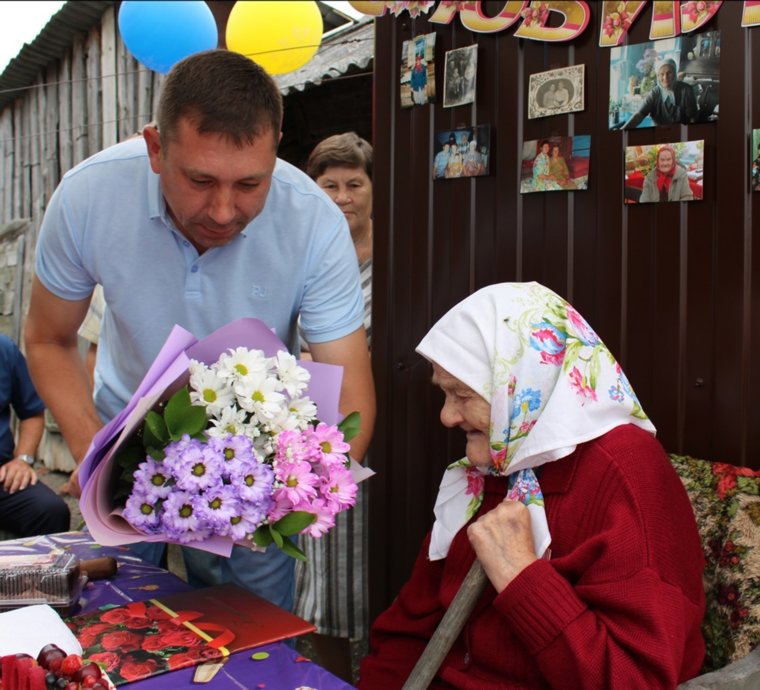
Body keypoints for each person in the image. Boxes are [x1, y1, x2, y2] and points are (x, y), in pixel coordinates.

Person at [24, 49, 375, 613]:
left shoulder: (314, 219)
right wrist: (99, 456)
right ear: (156, 149)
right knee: (121, 618)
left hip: (256, 461)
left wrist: (292, 496)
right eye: (200, 179)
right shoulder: (88, 195)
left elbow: (348, 383)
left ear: (276, 147)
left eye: (249, 184)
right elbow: (48, 339)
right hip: (126, 439)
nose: (222, 209)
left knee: (252, 633)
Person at [358, 282, 706, 689]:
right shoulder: (499, 464)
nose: (448, 416)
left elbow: (634, 680)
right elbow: (409, 629)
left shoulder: (625, 471)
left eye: (461, 395)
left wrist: (520, 574)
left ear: (522, 384)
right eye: (445, 394)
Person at [294, 132, 374, 681]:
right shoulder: (307, 256)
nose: (343, 196)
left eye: (354, 183)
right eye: (329, 185)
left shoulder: (396, 258)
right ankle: (322, 672)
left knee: (369, 567)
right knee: (317, 564)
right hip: (310, 427)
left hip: (374, 421)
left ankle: (372, 669)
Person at [0, 334, 70, 537]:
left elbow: (32, 413)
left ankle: (41, 570)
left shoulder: (5, 349)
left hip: (2, 474)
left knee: (50, 510)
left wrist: (22, 460)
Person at [621, 58, 697, 129]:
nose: (665, 77)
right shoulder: (655, 93)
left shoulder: (686, 90)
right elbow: (640, 114)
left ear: (675, 74)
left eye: (669, 73)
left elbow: (693, 118)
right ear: (658, 76)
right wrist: (623, 130)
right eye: (662, 74)